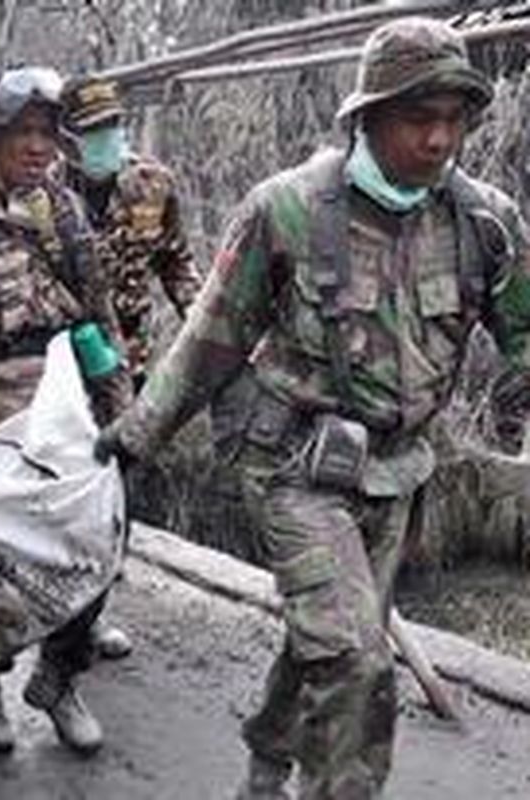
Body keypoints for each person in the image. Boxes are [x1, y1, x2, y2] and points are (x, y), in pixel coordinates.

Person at [95, 18, 530, 799]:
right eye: (417, 117)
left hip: (399, 473)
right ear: (367, 116)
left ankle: (268, 751)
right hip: (291, 466)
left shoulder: (485, 222)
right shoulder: (287, 211)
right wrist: (134, 435)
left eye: (454, 119)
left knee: (326, 640)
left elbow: (527, 337)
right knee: (359, 663)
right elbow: (210, 342)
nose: (439, 140)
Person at [0, 65, 132, 756]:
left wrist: (120, 403)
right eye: (23, 133)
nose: (38, 147)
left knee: (95, 544)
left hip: (66, 398)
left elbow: (97, 308)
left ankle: (60, 677)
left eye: (47, 133)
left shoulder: (66, 212)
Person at [59, 74, 205, 661]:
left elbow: (177, 263)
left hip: (130, 369)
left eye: (113, 126)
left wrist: (205, 329)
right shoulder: (41, 190)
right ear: (68, 137)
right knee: (59, 489)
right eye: (93, 130)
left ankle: (91, 613)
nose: (107, 139)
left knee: (117, 489)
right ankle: (48, 615)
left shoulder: (152, 185)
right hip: (58, 374)